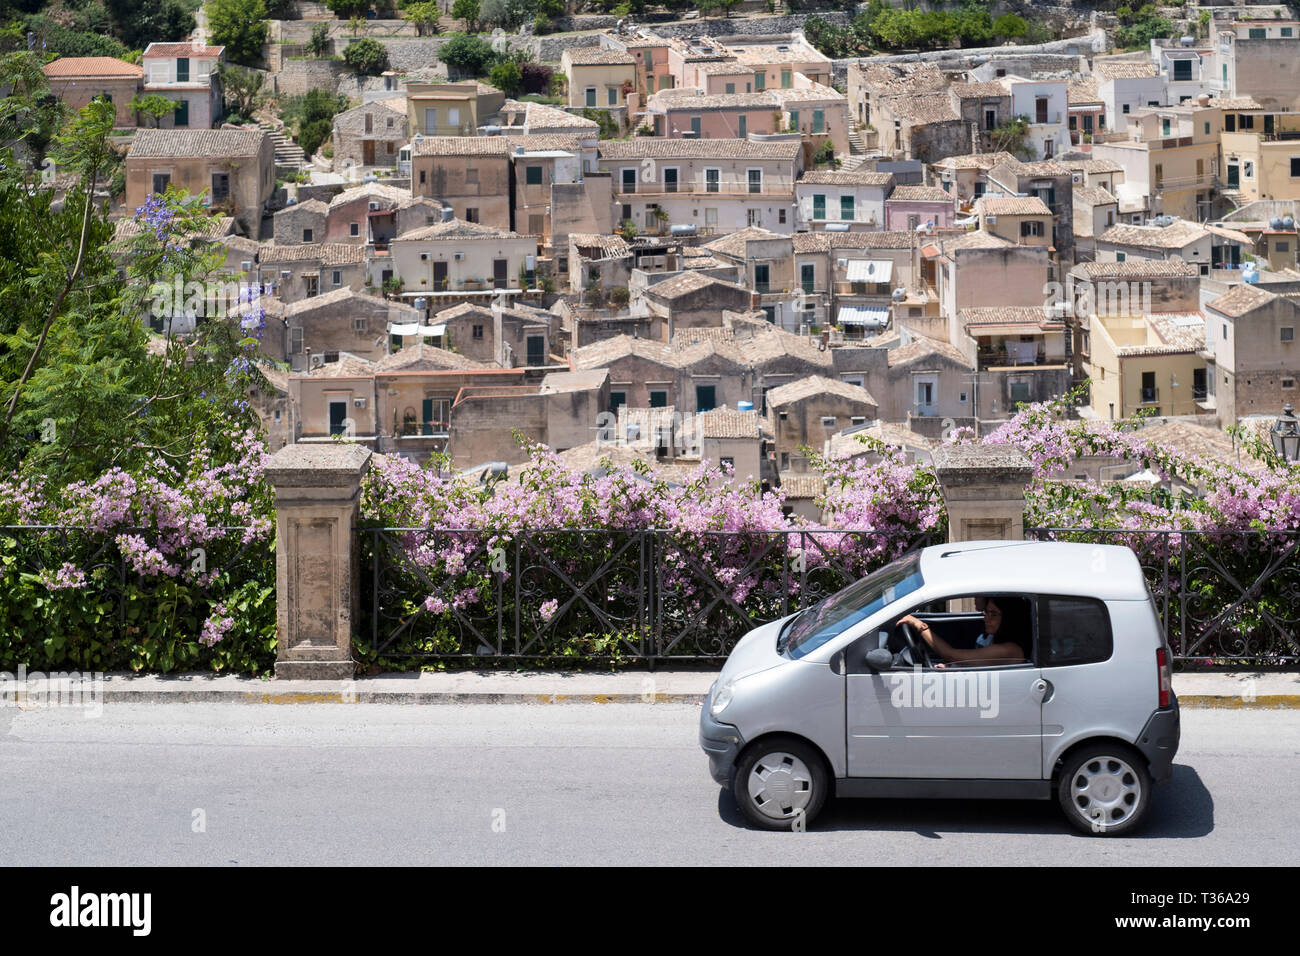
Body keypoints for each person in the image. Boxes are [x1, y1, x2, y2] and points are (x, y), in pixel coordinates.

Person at [897, 596, 1028, 664]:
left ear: (1009, 618)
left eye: (993, 614)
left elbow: (951, 655)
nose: (986, 618)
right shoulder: (996, 638)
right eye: (986, 613)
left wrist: (917, 624)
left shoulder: (1009, 650)